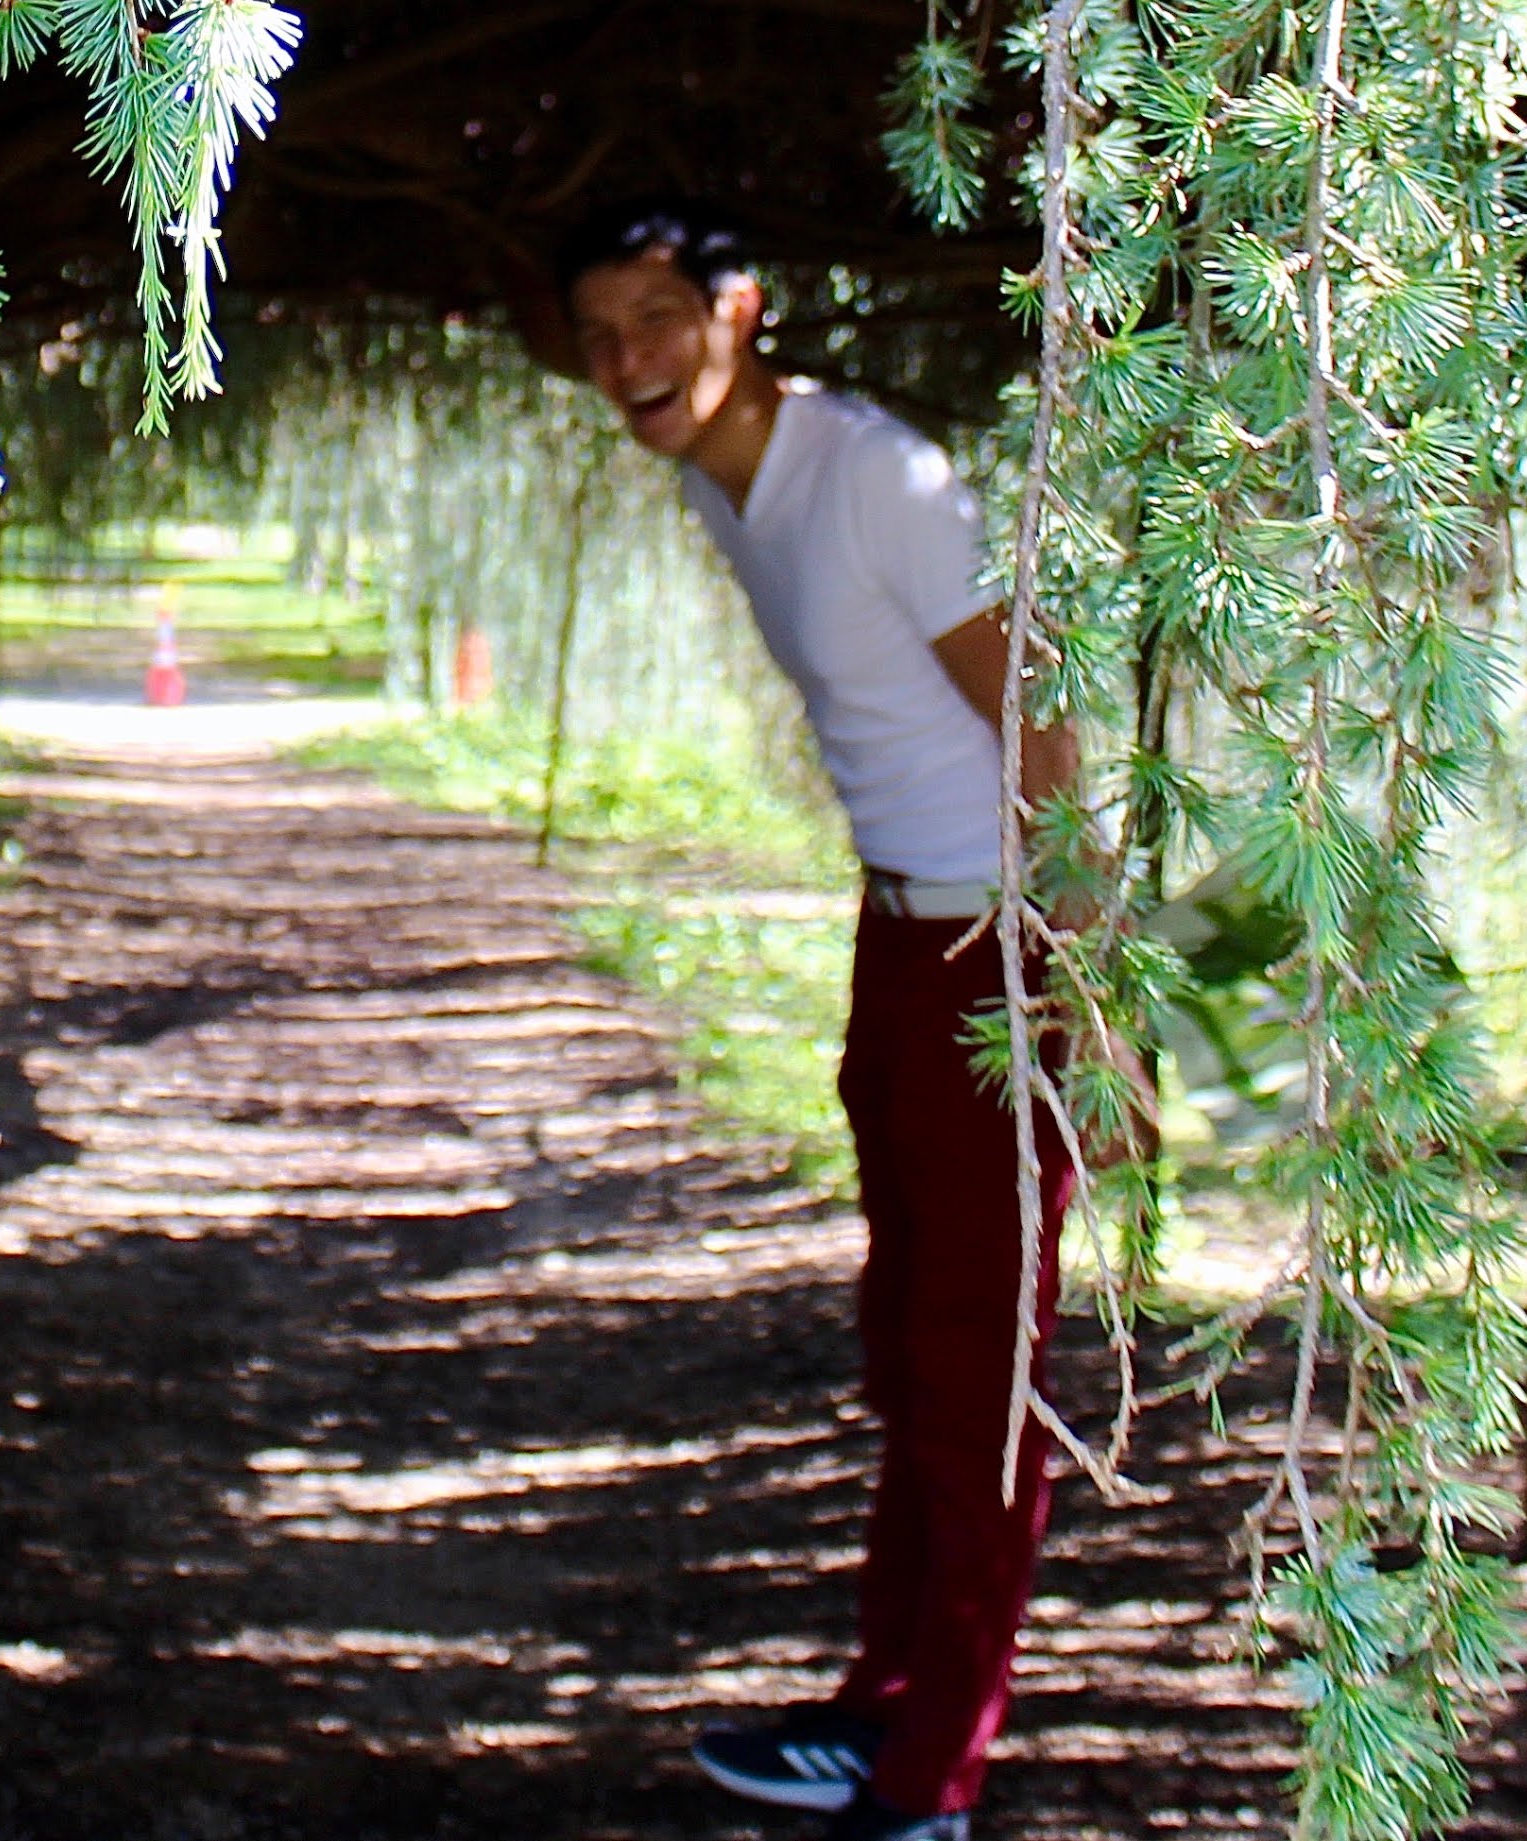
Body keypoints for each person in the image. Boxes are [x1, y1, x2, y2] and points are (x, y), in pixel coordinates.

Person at [555, 201, 1083, 1841]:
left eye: (655, 315)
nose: (627, 358)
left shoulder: (875, 477)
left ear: (741, 310)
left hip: (1000, 953)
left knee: (976, 1364)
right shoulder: (729, 479)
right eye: (598, 334)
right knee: (907, 1344)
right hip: (898, 936)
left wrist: (1092, 996)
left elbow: (1045, 732)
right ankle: (881, 1712)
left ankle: (935, 1779)